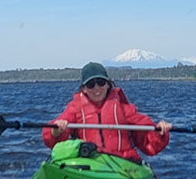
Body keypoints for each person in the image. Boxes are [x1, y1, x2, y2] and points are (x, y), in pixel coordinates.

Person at [43, 61, 172, 162]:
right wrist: (55, 132)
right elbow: (51, 137)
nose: (97, 88)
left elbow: (149, 143)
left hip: (122, 162)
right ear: (83, 89)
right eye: (91, 84)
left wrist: (159, 132)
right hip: (91, 161)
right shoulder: (75, 108)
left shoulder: (123, 108)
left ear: (108, 84)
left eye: (101, 82)